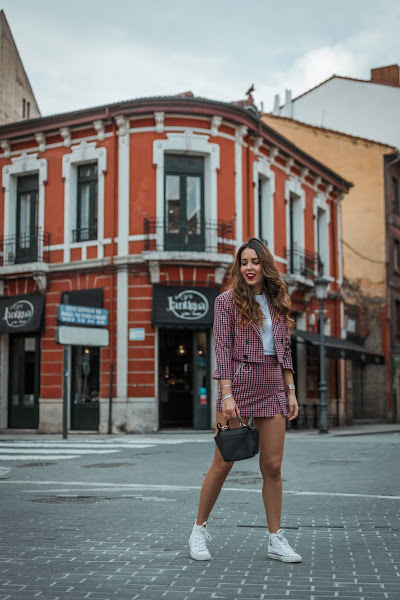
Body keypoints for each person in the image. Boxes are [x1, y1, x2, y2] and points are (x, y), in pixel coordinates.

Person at [189, 237, 301, 563]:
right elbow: (222, 349)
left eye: (255, 261)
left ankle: (275, 539)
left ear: (265, 265)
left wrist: (291, 391)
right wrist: (226, 394)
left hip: (273, 385)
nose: (249, 267)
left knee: (273, 466)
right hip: (238, 385)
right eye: (244, 262)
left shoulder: (279, 301)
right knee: (224, 462)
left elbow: (284, 350)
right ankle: (198, 530)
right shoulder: (226, 301)